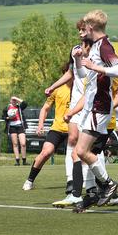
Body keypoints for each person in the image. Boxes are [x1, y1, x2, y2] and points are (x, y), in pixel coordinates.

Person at [72, 9, 118, 207]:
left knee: (82, 151)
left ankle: (108, 185)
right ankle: (97, 191)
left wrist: (96, 67)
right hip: (92, 106)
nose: (82, 29)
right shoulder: (95, 46)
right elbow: (85, 75)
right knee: (86, 152)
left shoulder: (105, 46)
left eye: (84, 26)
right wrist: (78, 60)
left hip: (99, 106)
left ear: (90, 27)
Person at [45, 19, 90, 203]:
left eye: (83, 30)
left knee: (87, 148)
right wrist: (52, 86)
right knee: (73, 142)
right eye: (78, 30)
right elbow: (71, 73)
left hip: (89, 104)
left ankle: (97, 185)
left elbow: (86, 77)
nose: (80, 33)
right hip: (76, 104)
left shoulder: (96, 52)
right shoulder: (75, 50)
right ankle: (72, 182)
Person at [22, 65, 71, 191]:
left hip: (75, 129)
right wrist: (40, 125)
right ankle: (30, 180)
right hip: (58, 128)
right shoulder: (57, 88)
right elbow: (45, 108)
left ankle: (84, 183)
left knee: (79, 155)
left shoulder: (81, 88)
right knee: (46, 152)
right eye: (68, 72)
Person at [2, 96, 28, 166]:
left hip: (20, 126)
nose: (13, 101)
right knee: (15, 144)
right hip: (12, 127)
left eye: (15, 100)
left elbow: (25, 103)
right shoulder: (7, 108)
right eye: (12, 100)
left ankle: (24, 160)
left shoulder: (19, 107)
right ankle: (17, 161)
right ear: (10, 101)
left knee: (23, 143)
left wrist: (16, 98)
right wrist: (9, 117)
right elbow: (3, 117)